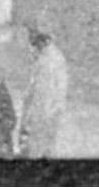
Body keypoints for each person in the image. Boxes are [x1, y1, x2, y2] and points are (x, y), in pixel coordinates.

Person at [20, 26, 70, 158]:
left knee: (36, 152)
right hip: (52, 116)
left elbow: (40, 98)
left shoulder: (45, 63)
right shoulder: (57, 56)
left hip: (42, 120)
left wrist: (27, 124)